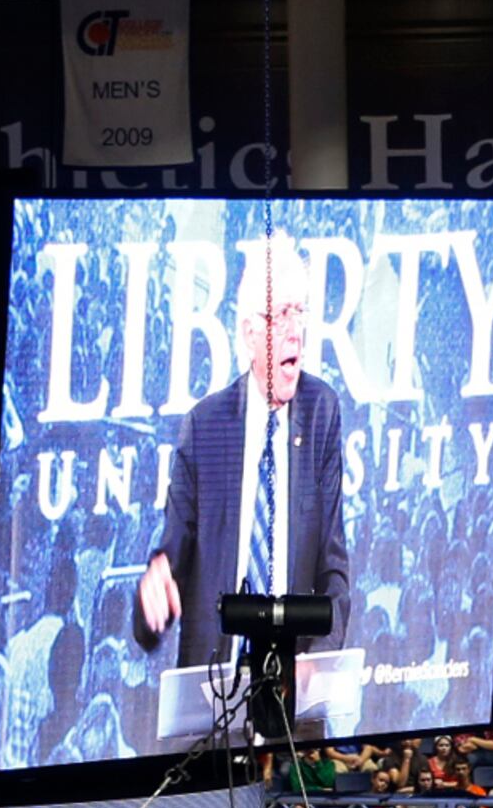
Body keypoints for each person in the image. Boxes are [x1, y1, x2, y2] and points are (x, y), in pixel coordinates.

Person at [135, 246, 353, 669]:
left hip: (295, 691)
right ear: (249, 332)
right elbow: (170, 562)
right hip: (214, 695)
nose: (295, 332)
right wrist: (152, 595)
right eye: (279, 315)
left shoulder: (322, 412)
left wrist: (319, 663)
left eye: (300, 312)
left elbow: (334, 569)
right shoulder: (205, 427)